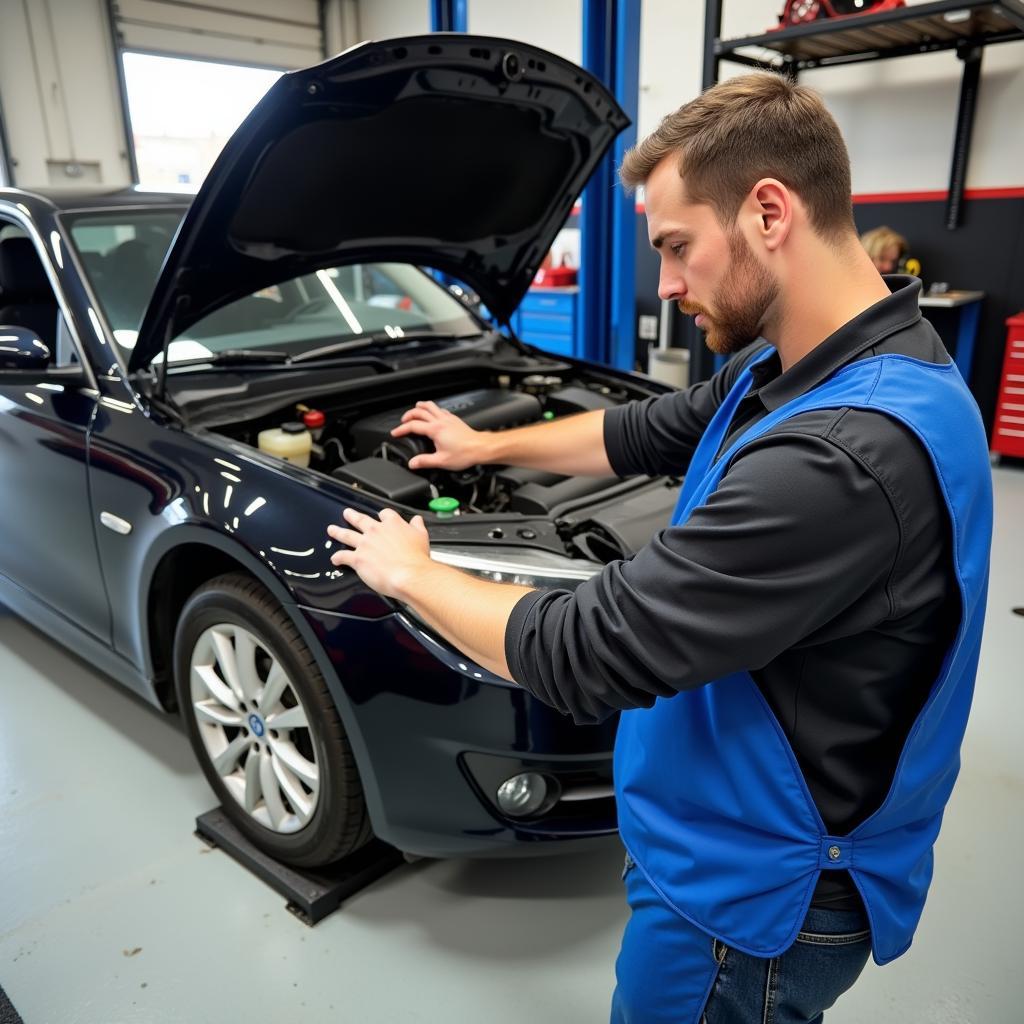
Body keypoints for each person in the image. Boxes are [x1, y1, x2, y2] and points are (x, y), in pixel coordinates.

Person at [327, 72, 992, 1023]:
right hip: (728, 826)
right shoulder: (819, 360)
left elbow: (589, 650)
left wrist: (415, 573)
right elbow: (643, 431)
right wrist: (487, 446)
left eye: (677, 247)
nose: (667, 283)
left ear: (770, 212)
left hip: (747, 902)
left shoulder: (842, 455)